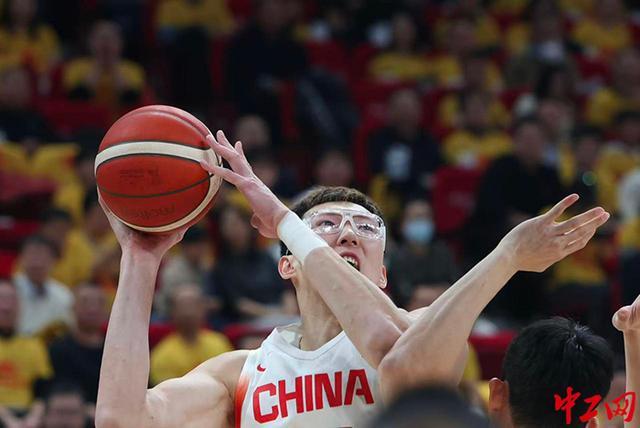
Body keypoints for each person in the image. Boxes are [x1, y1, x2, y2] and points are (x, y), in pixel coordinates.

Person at [95, 130, 606, 427]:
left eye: (365, 227)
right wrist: (139, 261)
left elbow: (402, 363)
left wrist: (289, 224)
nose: (346, 232)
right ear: (288, 264)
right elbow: (122, 421)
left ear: (382, 273)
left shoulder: (421, 327)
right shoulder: (240, 373)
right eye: (325, 225)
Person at [150, 284, 233, 385]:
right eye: (183, 306)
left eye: (194, 306)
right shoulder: (162, 356)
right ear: (172, 312)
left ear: (203, 309)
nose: (188, 312)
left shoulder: (220, 343)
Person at [63, 20, 144, 111]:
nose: (106, 44)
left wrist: (114, 69)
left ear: (120, 43)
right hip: (87, 117)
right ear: (90, 42)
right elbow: (79, 99)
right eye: (101, 38)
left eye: (111, 39)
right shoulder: (76, 67)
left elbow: (131, 101)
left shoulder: (133, 69)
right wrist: (98, 67)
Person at [0, 279, 53, 416]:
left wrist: (33, 418)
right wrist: (8, 421)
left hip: (27, 415)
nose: (6, 307)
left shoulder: (34, 345)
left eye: (11, 300)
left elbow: (44, 391)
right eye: (1, 299)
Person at [48, 284, 106, 403]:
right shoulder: (58, 350)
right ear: (73, 308)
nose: (92, 309)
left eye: (98, 303)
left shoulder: (117, 351)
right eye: (85, 302)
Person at [13, 235, 73, 335]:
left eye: (42, 256)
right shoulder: (8, 290)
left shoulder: (63, 295)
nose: (37, 262)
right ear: (21, 259)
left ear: (54, 261)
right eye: (32, 255)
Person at [155, 226, 211, 319]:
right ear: (185, 247)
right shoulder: (173, 270)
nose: (201, 250)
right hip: (167, 316)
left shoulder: (205, 268)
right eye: (197, 246)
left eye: (203, 246)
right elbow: (171, 301)